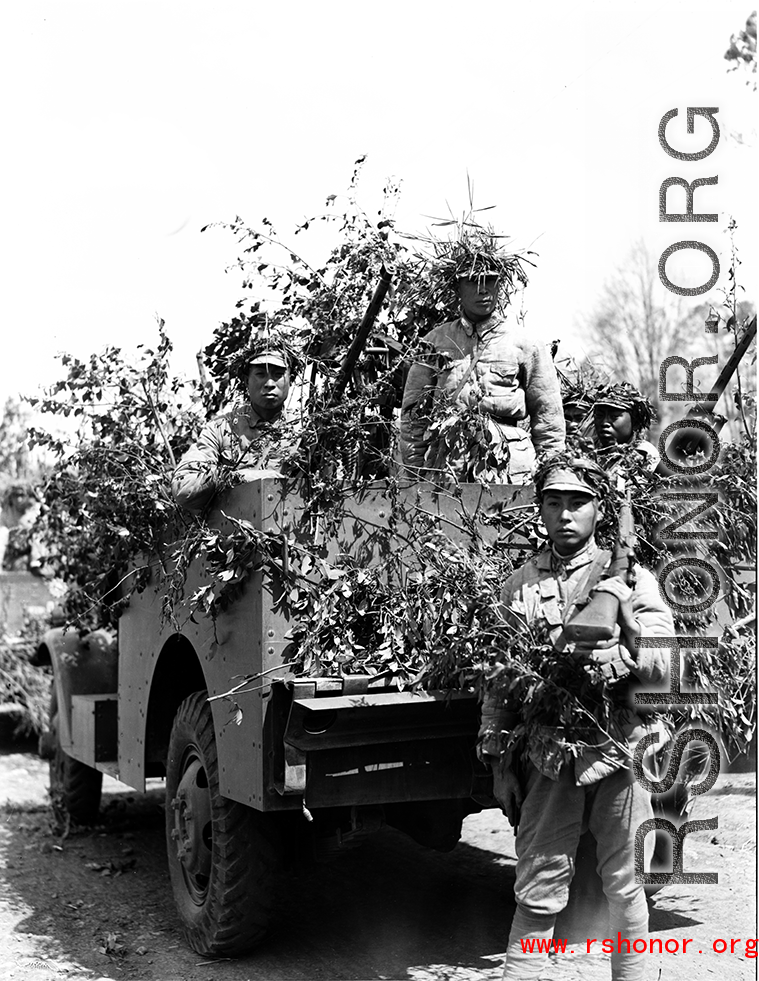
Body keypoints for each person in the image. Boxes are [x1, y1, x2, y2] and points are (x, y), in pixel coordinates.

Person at [478, 454, 674, 981]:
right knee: (538, 889)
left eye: (578, 503)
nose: (565, 514)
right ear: (540, 510)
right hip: (549, 756)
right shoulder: (518, 584)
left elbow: (663, 662)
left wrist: (624, 622)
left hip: (618, 748)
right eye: (554, 502)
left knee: (627, 883)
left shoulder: (631, 575)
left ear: (597, 511)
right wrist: (498, 761)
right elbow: (501, 681)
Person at [400, 268, 565, 483]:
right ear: (457, 288)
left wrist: (551, 477)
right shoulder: (435, 342)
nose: (484, 290)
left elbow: (548, 417)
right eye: (474, 281)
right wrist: (414, 476)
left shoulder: (526, 343)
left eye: (491, 281)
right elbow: (413, 416)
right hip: (447, 468)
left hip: (509, 469)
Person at [172, 337, 297, 514]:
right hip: (233, 535)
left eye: (278, 375)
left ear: (290, 379)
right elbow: (183, 488)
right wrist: (239, 477)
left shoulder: (305, 431)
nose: (269, 383)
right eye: (261, 374)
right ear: (246, 381)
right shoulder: (222, 428)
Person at [593, 382, 659, 471]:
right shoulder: (590, 450)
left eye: (614, 417)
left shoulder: (645, 453)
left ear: (635, 423)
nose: (604, 423)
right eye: (599, 416)